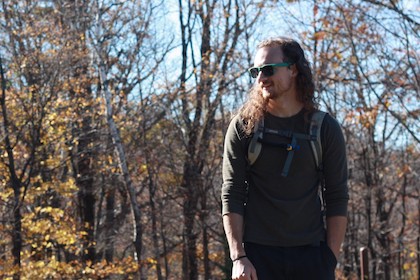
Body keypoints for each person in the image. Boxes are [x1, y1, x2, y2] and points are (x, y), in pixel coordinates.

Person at [221, 37, 349, 280]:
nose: (260, 78)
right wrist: (238, 257)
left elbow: (337, 195)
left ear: (293, 69)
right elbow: (231, 193)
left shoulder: (324, 128)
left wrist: (329, 259)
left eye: (268, 69)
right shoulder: (244, 126)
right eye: (255, 71)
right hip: (256, 259)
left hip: (312, 256)